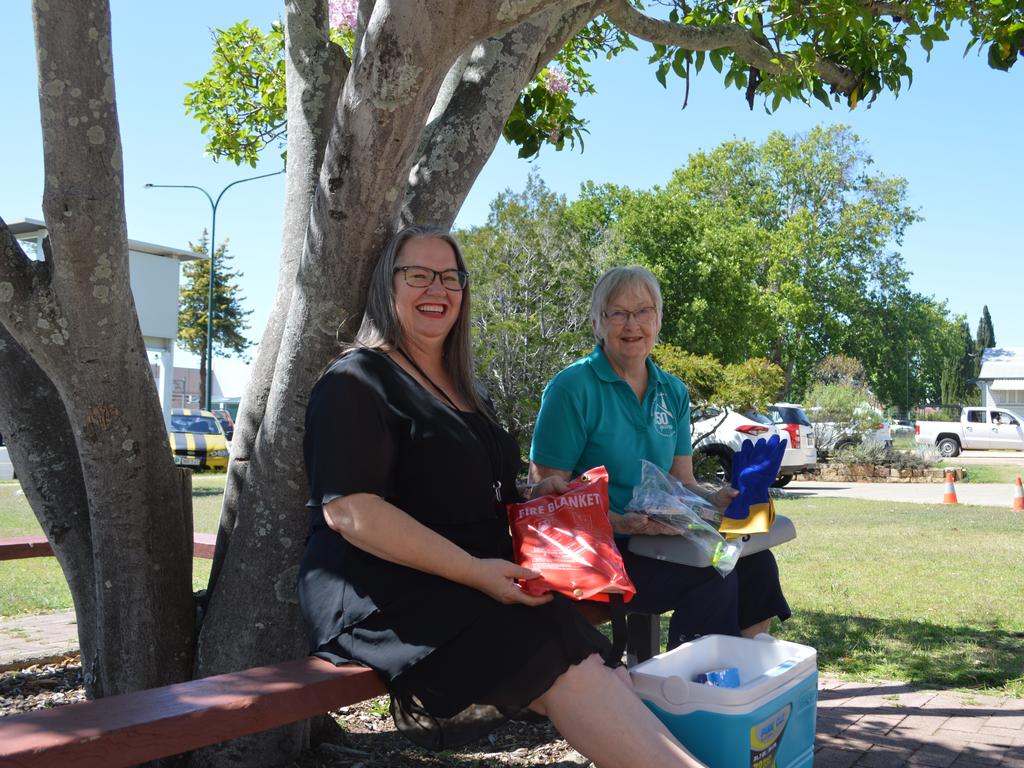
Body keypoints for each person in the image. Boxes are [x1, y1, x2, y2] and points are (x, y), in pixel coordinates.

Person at [298, 226, 706, 768]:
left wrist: (545, 495)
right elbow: (350, 511)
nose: (435, 289)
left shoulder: (466, 388)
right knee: (557, 648)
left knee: (586, 653)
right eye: (416, 275)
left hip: (475, 577)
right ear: (386, 286)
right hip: (384, 590)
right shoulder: (357, 379)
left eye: (449, 277)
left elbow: (476, 491)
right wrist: (475, 571)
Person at [529, 266, 790, 649]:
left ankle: (741, 681)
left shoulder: (673, 391)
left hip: (661, 541)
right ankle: (692, 694)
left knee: (756, 564)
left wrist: (716, 499)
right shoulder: (571, 389)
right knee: (712, 578)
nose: (631, 324)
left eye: (643, 311)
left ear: (658, 320)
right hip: (597, 550)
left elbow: (682, 483)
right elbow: (546, 499)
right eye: (617, 313)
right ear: (597, 324)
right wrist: (622, 522)